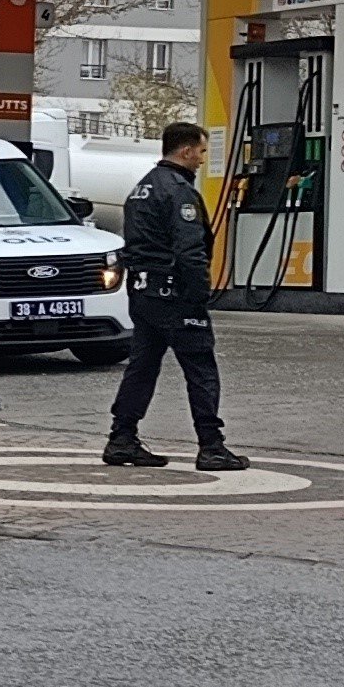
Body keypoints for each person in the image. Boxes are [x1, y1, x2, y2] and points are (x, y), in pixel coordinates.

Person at [108, 120, 246, 471]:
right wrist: (199, 294)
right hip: (174, 295)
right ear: (185, 151)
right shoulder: (180, 192)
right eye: (200, 151)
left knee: (142, 366)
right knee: (200, 367)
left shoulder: (142, 188)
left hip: (143, 293)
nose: (202, 159)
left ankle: (121, 438)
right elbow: (190, 250)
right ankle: (211, 446)